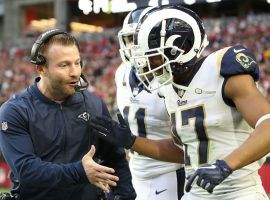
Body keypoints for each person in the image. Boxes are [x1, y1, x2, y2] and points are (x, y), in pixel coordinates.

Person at [89, 4, 270, 200]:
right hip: (194, 193)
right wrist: (132, 141)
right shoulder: (168, 88)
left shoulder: (221, 68)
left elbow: (267, 124)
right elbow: (182, 151)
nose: (149, 66)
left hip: (240, 193)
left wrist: (226, 165)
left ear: (181, 48)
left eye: (155, 57)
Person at [0, 29, 136, 200]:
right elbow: (27, 170)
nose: (75, 72)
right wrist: (80, 171)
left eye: (77, 63)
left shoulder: (94, 105)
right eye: (64, 65)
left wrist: (124, 195)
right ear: (40, 68)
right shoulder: (15, 111)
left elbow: (115, 160)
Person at [116, 6, 185, 200]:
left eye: (137, 39)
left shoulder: (175, 78)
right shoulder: (121, 72)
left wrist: (131, 142)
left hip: (170, 174)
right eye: (129, 39)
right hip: (136, 172)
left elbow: (186, 149)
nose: (132, 47)